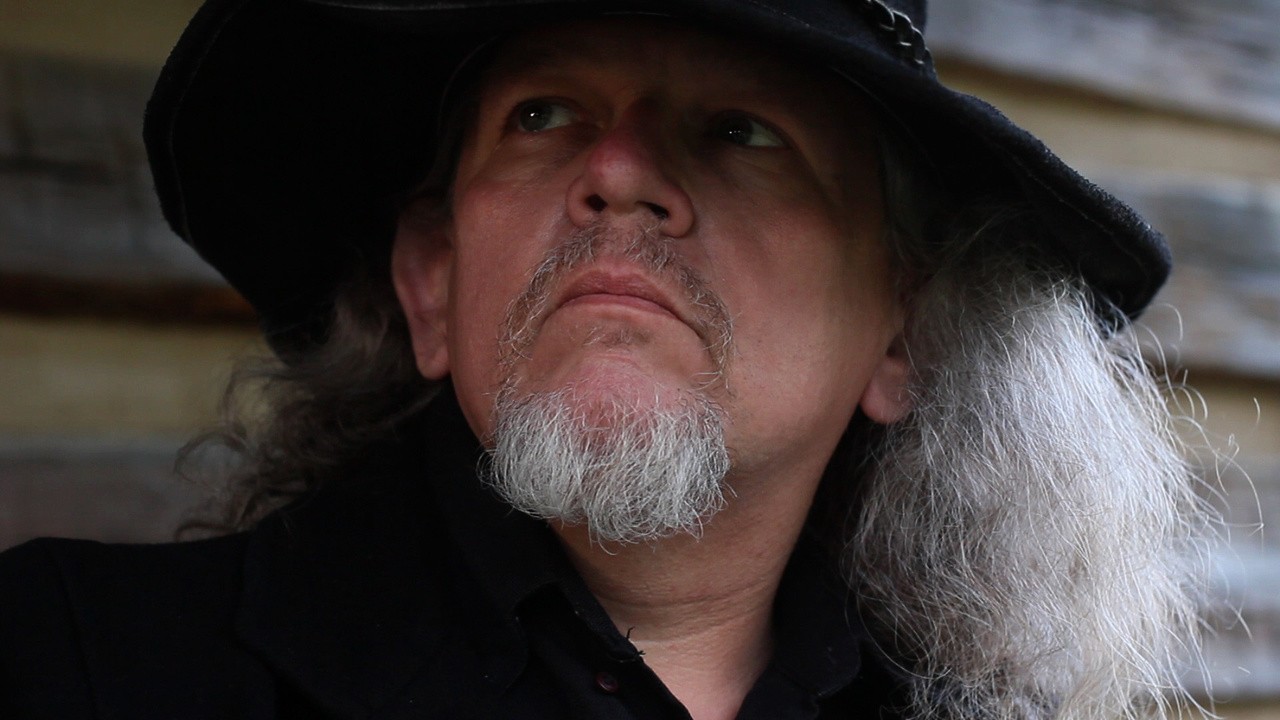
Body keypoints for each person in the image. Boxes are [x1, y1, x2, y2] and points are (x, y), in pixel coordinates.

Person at [0, 1, 1213, 718]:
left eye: (741, 129)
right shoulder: (69, 667)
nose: (619, 170)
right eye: (542, 115)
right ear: (430, 285)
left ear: (902, 332)